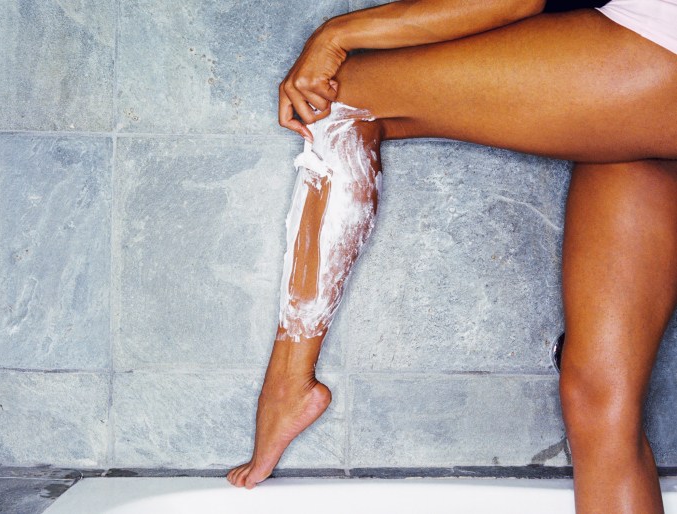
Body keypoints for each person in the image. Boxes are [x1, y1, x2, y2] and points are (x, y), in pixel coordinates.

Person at [227, 0, 677, 512]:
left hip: (659, 49)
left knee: (335, 97)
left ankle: (288, 386)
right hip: (652, 74)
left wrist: (337, 34)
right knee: (600, 402)